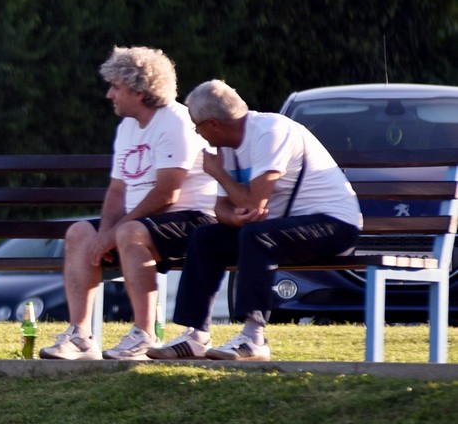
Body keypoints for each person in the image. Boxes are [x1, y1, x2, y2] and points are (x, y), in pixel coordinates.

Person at [148, 79, 361, 361]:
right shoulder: (226, 148)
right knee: (206, 237)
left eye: (195, 126)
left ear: (213, 124)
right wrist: (236, 218)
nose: (196, 133)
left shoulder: (271, 132)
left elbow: (252, 203)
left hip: (334, 226)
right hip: (276, 229)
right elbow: (222, 208)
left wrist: (220, 176)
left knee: (257, 236)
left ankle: (254, 338)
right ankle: (195, 335)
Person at [39, 47, 218, 360]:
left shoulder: (177, 122)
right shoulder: (127, 128)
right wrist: (103, 233)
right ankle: (80, 335)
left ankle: (143, 335)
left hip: (194, 220)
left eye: (116, 88)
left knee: (129, 233)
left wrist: (114, 233)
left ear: (140, 91)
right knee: (79, 233)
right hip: (143, 222)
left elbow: (166, 194)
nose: (109, 95)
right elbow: (117, 191)